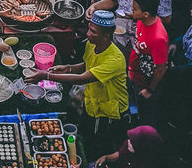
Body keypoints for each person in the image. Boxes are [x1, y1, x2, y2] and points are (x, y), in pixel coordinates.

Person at [36, 10, 129, 156]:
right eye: (89, 29)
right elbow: (87, 65)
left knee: (98, 142)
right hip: (92, 101)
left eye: (93, 32)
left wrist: (46, 75)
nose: (88, 34)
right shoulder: (92, 44)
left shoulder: (114, 60)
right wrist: (69, 68)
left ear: (106, 35)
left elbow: (83, 78)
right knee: (85, 133)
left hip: (107, 111)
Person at [128, 0, 169, 124]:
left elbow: (161, 68)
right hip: (135, 74)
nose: (131, 10)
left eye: (134, 9)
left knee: (145, 112)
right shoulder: (142, 21)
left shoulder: (158, 38)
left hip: (144, 83)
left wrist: (150, 90)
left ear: (145, 14)